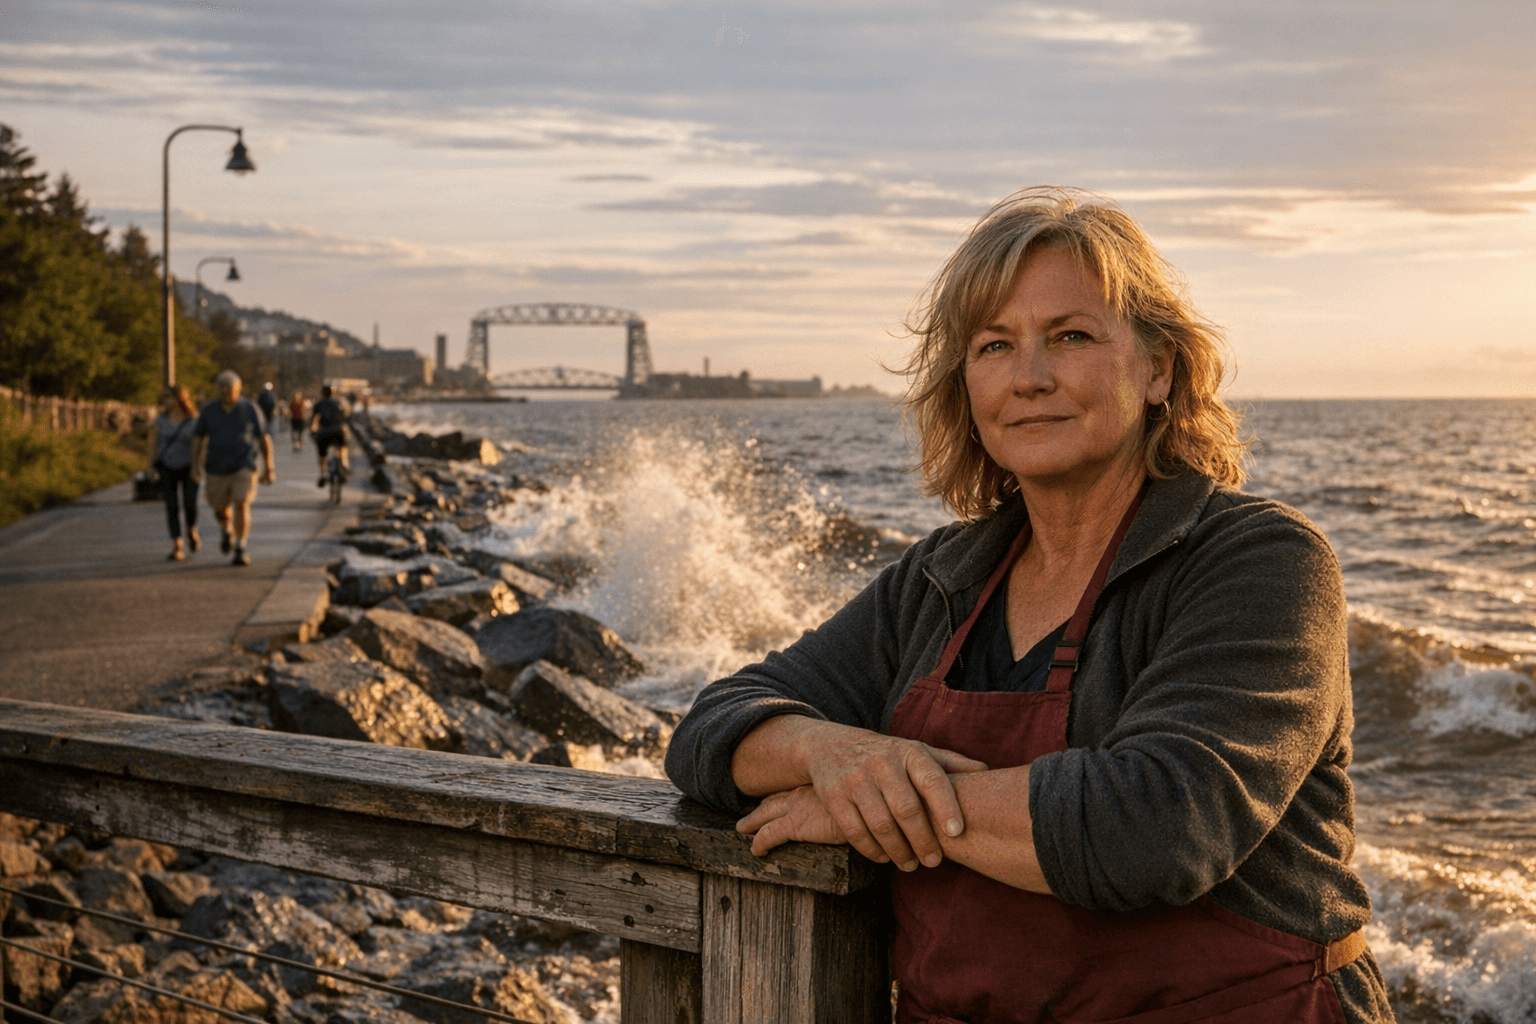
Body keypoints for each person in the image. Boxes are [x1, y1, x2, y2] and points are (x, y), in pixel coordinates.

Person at [665, 187, 1394, 1024]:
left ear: (1160, 368)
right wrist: (833, 753)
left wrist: (873, 804)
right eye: (995, 345)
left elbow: (1159, 827)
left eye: (1072, 336)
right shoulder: (942, 579)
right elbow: (713, 729)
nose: (1031, 377)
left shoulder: (1260, 562)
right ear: (964, 385)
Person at [191, 370, 275, 567]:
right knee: (220, 508)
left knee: (241, 503)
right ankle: (226, 530)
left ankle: (240, 546)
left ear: (238, 389)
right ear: (216, 389)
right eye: (221, 387)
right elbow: (198, 439)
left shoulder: (250, 408)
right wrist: (195, 465)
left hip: (244, 464)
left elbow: (263, 438)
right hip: (216, 466)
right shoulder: (209, 410)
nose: (225, 391)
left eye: (229, 388)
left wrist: (269, 467)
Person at [147, 385, 201, 561]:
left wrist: (197, 466)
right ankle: (177, 544)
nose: (165, 401)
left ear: (179, 399)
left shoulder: (193, 420)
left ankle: (191, 529)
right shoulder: (160, 421)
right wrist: (150, 466)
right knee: (171, 506)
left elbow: (198, 446)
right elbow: (153, 443)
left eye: (168, 397)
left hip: (188, 466)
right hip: (166, 466)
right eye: (164, 398)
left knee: (190, 503)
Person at [309, 384, 350, 488]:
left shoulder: (318, 404)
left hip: (324, 433)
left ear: (322, 393)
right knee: (343, 446)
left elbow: (313, 419)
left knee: (322, 454)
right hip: (338, 431)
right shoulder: (339, 402)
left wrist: (312, 430)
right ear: (332, 393)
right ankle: (344, 464)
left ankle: (323, 474)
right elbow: (346, 413)